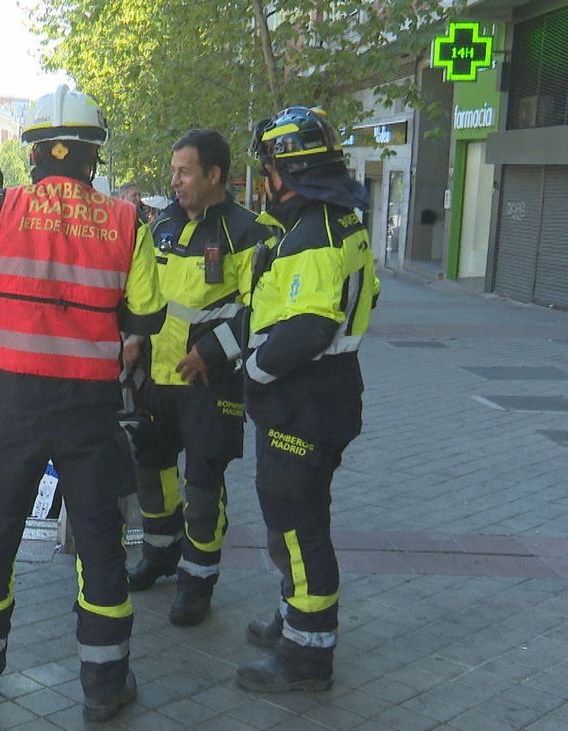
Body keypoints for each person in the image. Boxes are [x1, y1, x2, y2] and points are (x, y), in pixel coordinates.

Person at [0, 86, 165, 722]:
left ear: (33, 156)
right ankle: (104, 688)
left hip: (12, 404)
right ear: (92, 157)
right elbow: (149, 314)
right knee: (99, 544)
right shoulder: (125, 222)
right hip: (89, 409)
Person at [237, 105, 377, 692]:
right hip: (326, 393)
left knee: (298, 526)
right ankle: (297, 617)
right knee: (298, 520)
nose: (264, 179)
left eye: (267, 166)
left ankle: (306, 657)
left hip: (306, 398)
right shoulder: (334, 220)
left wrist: (255, 374)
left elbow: (308, 329)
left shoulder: (315, 232)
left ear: (285, 170)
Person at [125, 130, 270, 627]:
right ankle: (160, 554)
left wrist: (212, 350)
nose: (175, 181)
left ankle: (197, 580)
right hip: (156, 379)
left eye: (185, 172)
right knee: (152, 469)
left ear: (215, 176)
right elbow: (142, 293)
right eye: (173, 171)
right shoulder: (159, 224)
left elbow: (263, 312)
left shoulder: (249, 232)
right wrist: (134, 337)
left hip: (211, 384)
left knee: (203, 484)